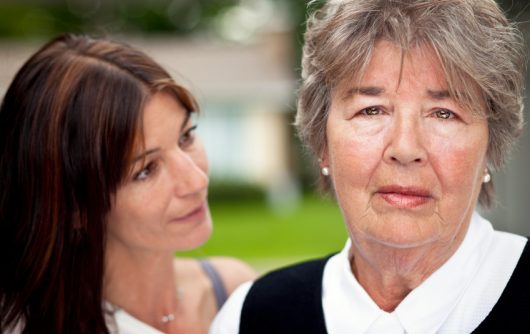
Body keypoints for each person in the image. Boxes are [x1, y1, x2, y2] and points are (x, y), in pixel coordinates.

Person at [210, 0, 529, 333]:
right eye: (372, 110)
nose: (405, 149)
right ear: (322, 144)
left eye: (444, 113)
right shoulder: (249, 318)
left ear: (491, 146)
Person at [0, 34, 255, 334]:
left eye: (186, 137)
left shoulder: (236, 292)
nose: (196, 180)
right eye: (146, 170)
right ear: (75, 208)